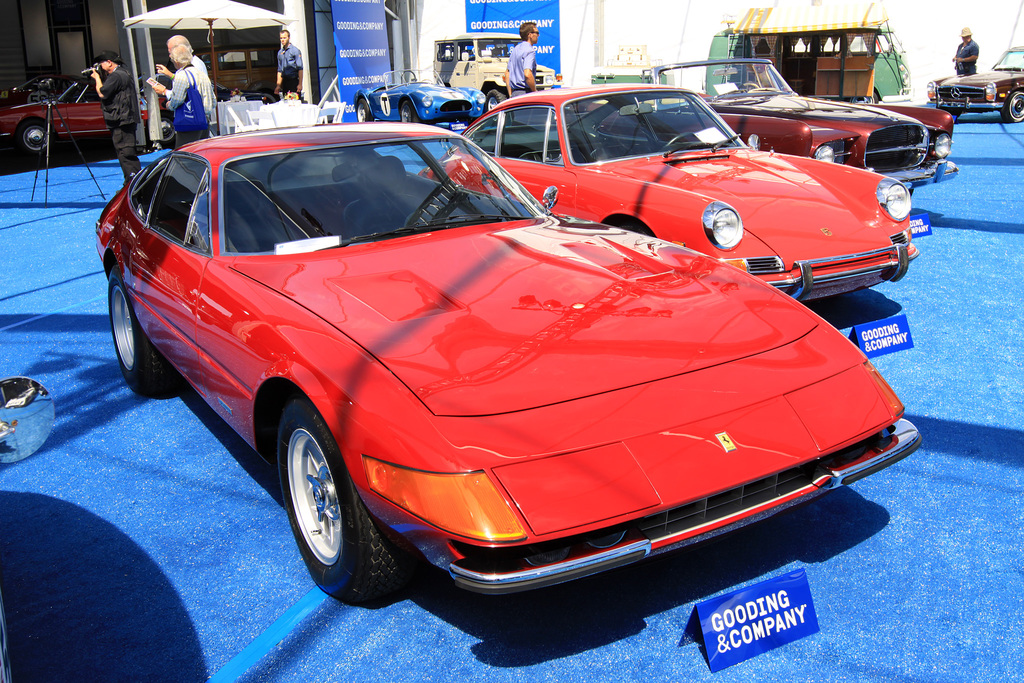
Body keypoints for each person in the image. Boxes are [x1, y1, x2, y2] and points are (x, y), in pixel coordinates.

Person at [88, 51, 141, 182]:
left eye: (101, 63)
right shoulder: (124, 73)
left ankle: (132, 181)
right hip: (125, 118)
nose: (100, 67)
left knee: (125, 152)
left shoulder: (116, 75)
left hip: (121, 119)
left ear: (109, 62)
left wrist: (97, 78)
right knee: (126, 151)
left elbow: (102, 92)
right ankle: (132, 180)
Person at [150, 44, 216, 148]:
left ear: (176, 61)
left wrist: (168, 105)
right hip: (204, 121)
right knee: (201, 153)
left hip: (189, 122)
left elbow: (177, 99)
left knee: (185, 153)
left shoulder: (182, 75)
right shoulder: (202, 74)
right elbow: (213, 100)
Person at [504, 22, 540, 98]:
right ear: (530, 35)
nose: (538, 35)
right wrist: (534, 91)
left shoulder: (515, 49)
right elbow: (527, 74)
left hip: (515, 94)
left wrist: (511, 95)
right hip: (526, 94)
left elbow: (507, 73)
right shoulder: (529, 51)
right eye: (537, 33)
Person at [276, 29, 303, 99]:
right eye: (281, 38)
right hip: (285, 81)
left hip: (293, 80)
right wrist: (278, 85)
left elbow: (300, 68)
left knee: (294, 102)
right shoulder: (280, 53)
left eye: (284, 38)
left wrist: (300, 84)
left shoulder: (295, 51)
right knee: (286, 102)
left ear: (289, 38)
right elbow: (279, 70)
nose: (282, 40)